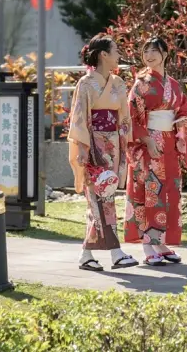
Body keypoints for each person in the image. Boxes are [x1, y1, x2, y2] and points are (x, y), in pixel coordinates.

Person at [67, 34, 139, 271]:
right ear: (103, 55)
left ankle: (86, 255)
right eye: (115, 50)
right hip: (94, 146)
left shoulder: (118, 82)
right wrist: (83, 149)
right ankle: (116, 252)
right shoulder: (86, 84)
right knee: (100, 197)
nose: (119, 54)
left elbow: (124, 117)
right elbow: (79, 119)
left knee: (103, 197)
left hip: (113, 144)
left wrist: (124, 140)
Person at [125, 37, 187, 266]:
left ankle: (161, 243)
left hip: (169, 143)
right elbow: (131, 117)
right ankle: (148, 245)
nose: (149, 56)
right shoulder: (141, 83)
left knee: (169, 193)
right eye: (145, 51)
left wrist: (183, 122)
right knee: (150, 192)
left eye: (154, 51)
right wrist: (146, 139)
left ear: (166, 53)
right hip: (149, 145)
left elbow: (183, 109)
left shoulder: (174, 84)